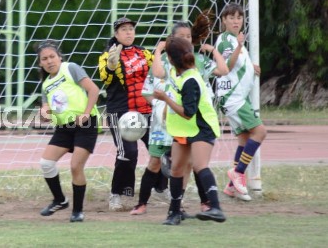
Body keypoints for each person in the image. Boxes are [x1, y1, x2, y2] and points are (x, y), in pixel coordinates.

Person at [131, 16, 230, 216]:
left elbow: (188, 110)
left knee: (195, 165)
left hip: (193, 122)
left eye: (188, 37)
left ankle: (208, 205)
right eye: (181, 37)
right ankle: (166, 208)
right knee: (168, 165)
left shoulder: (194, 68)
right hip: (173, 123)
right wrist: (161, 105)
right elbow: (157, 78)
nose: (186, 40)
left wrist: (213, 50)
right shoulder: (171, 66)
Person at [153, 36, 226, 225]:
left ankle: (216, 208)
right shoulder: (178, 73)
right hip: (185, 129)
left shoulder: (191, 80)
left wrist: (165, 99)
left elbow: (188, 113)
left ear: (170, 58)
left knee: (199, 165)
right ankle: (174, 213)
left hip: (201, 127)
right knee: (176, 169)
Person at [36, 40, 100, 223]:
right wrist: (44, 114)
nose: (49, 61)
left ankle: (78, 211)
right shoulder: (46, 85)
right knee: (46, 163)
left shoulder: (70, 68)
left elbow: (94, 90)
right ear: (40, 63)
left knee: (75, 166)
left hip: (85, 125)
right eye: (44, 59)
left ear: (59, 57)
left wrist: (86, 113)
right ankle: (59, 200)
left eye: (52, 57)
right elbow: (46, 111)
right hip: (64, 128)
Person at [98, 17, 155, 211]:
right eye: (124, 29)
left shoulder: (145, 53)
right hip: (121, 111)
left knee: (160, 149)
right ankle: (117, 193)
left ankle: (162, 187)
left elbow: (157, 74)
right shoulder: (108, 54)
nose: (129, 32)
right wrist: (111, 66)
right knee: (128, 153)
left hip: (146, 110)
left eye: (131, 29)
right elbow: (104, 77)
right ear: (116, 34)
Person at [215, 3, 266, 199]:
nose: (236, 21)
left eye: (239, 17)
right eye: (231, 18)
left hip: (235, 97)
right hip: (233, 98)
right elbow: (228, 65)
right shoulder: (227, 41)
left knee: (244, 139)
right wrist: (239, 46)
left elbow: (239, 66)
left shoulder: (236, 41)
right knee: (260, 132)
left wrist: (252, 67)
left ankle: (231, 186)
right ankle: (237, 173)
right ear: (224, 21)